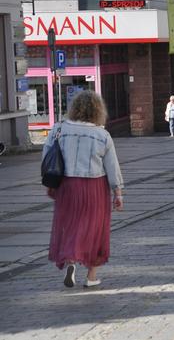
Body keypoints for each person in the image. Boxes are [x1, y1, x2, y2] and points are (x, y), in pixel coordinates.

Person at [44, 90, 124, 288]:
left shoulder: (58, 129)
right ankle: (91, 277)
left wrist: (50, 183)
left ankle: (71, 261)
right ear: (98, 110)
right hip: (94, 186)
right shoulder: (102, 135)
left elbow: (47, 156)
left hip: (66, 185)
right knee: (96, 229)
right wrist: (118, 192)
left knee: (70, 225)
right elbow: (112, 166)